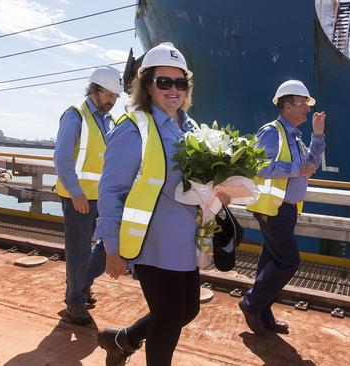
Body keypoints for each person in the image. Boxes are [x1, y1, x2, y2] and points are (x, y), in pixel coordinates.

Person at [94, 42, 230, 366]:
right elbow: (111, 190)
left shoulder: (191, 128)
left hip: (186, 241)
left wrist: (219, 190)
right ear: (147, 85)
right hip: (152, 243)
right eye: (164, 82)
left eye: (180, 82)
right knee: (168, 319)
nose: (173, 90)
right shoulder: (134, 128)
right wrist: (111, 247)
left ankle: (122, 340)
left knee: (188, 310)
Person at [240, 80, 326, 335]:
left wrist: (318, 135)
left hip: (286, 209)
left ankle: (263, 313)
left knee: (270, 263)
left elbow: (310, 165)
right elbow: (257, 166)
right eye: (303, 105)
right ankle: (251, 303)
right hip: (272, 208)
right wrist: (296, 169)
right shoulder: (271, 132)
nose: (307, 110)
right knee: (288, 261)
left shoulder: (296, 137)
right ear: (288, 106)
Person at [54, 66, 122, 325]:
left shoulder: (110, 121)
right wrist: (76, 193)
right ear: (95, 89)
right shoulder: (75, 116)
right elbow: (61, 159)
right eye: (109, 95)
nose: (113, 101)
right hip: (79, 197)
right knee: (79, 251)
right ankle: (75, 302)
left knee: (109, 245)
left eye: (116, 96)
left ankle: (83, 284)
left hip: (104, 198)